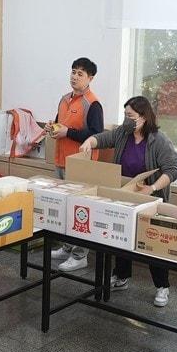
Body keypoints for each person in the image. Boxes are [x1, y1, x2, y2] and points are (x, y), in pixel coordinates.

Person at [79, 96, 177, 308]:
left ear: (144, 117)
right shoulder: (124, 133)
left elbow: (171, 170)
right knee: (120, 236)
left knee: (152, 243)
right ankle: (121, 276)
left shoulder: (158, 140)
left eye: (131, 116)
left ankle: (162, 286)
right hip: (124, 195)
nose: (127, 120)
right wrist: (90, 141)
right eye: (125, 115)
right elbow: (104, 139)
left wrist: (152, 188)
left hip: (149, 198)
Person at [49, 57, 105, 273]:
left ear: (90, 78)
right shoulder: (64, 99)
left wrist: (67, 132)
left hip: (81, 166)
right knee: (64, 209)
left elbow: (96, 134)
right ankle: (67, 246)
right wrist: (53, 130)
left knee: (81, 211)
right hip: (60, 161)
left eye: (80, 73)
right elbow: (59, 124)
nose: (74, 76)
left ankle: (80, 255)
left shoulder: (93, 103)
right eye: (73, 72)